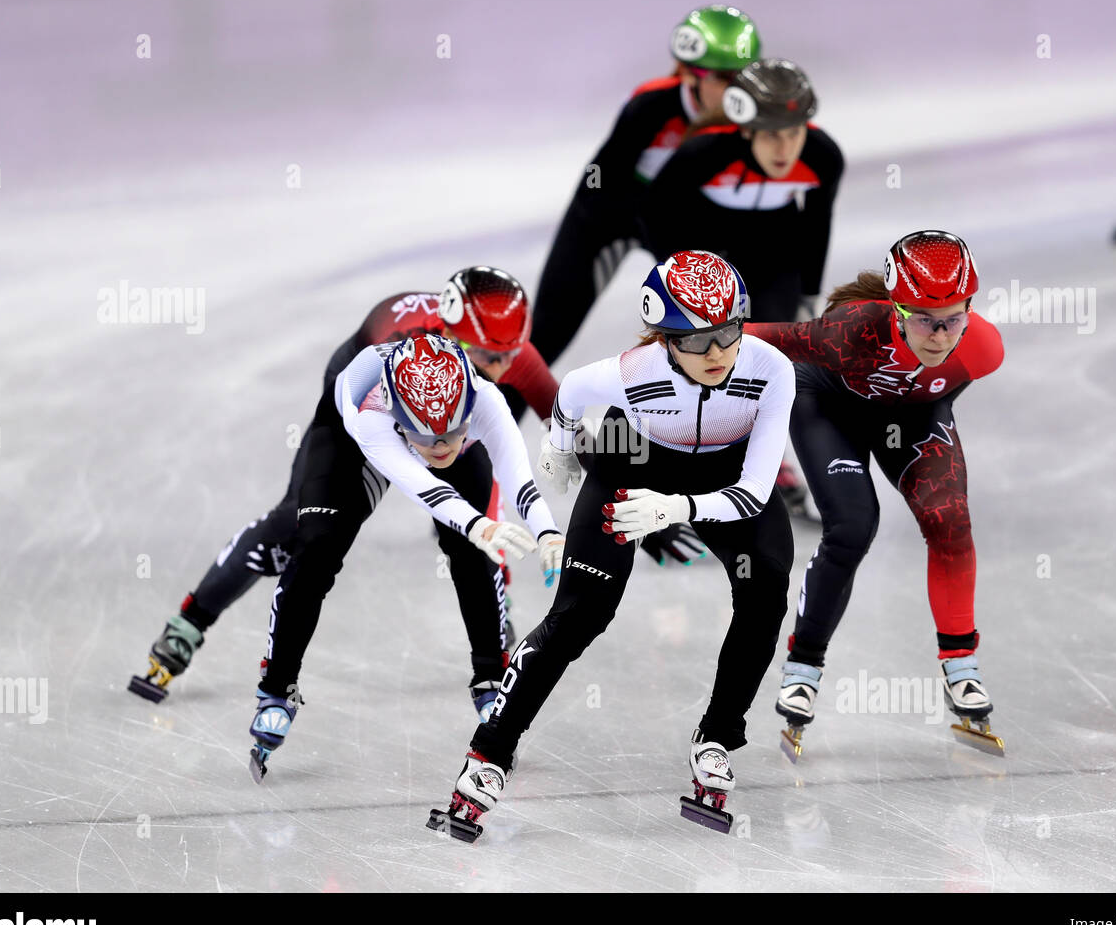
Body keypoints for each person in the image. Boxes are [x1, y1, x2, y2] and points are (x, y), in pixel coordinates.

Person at [428, 249, 796, 840]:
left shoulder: (771, 368)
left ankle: (719, 735)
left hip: (726, 480)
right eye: (695, 340)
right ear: (665, 338)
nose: (717, 353)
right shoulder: (630, 371)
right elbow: (571, 389)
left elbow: (754, 492)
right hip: (632, 465)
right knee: (580, 613)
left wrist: (678, 509)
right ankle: (490, 752)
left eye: (727, 332)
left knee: (767, 588)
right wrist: (564, 445)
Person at [130, 270, 557, 716]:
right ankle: (191, 620)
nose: (504, 368)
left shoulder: (497, 354)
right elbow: (406, 474)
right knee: (297, 530)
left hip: (438, 418)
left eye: (510, 353)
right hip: (361, 412)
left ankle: (491, 626)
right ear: (451, 335)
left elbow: (561, 419)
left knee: (475, 534)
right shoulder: (383, 364)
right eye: (490, 357)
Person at [247, 333, 567, 781]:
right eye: (426, 435)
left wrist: (548, 531)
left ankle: (491, 676)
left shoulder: (486, 400)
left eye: (453, 431)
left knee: (473, 551)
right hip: (346, 439)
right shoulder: (372, 415)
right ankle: (277, 686)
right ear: (400, 415)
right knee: (317, 547)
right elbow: (424, 487)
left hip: (427, 422)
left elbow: (518, 478)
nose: (440, 447)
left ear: (469, 407)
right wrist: (478, 522)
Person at [743, 231, 1006, 755]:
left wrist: (915, 401)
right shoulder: (848, 332)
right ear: (895, 309)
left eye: (955, 319)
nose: (940, 336)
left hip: (910, 416)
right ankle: (803, 667)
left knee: (949, 522)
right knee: (853, 528)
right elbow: (754, 336)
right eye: (924, 320)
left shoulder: (984, 348)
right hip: (827, 407)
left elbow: (936, 389)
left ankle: (962, 667)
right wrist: (673, 342)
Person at [528, 4, 762, 365]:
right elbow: (595, 189)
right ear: (689, 74)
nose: (737, 91)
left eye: (743, 78)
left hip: (676, 222)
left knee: (727, 330)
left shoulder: (753, 122)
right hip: (609, 218)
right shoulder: (650, 107)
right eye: (724, 78)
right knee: (545, 337)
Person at [641, 57, 844, 325]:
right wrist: (676, 276)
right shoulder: (704, 153)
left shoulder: (823, 156)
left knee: (769, 332)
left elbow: (817, 224)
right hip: (706, 237)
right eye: (772, 135)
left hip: (774, 242)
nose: (785, 150)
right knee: (712, 333)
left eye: (794, 132)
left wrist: (808, 294)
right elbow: (654, 214)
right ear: (747, 130)